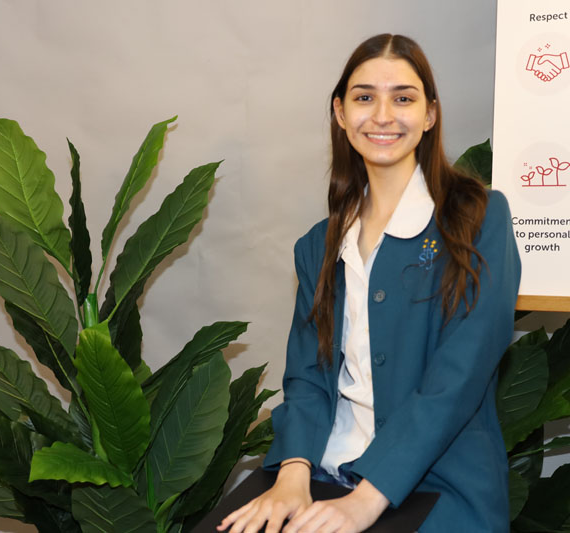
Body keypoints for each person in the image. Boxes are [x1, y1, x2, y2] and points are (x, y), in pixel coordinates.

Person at [219, 33, 521, 533]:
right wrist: (292, 475)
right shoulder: (318, 245)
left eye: (403, 98)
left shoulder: (479, 218)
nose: (383, 116)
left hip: (437, 484)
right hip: (324, 472)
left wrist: (365, 500)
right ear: (340, 113)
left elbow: (458, 378)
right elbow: (308, 377)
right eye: (364, 98)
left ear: (429, 114)